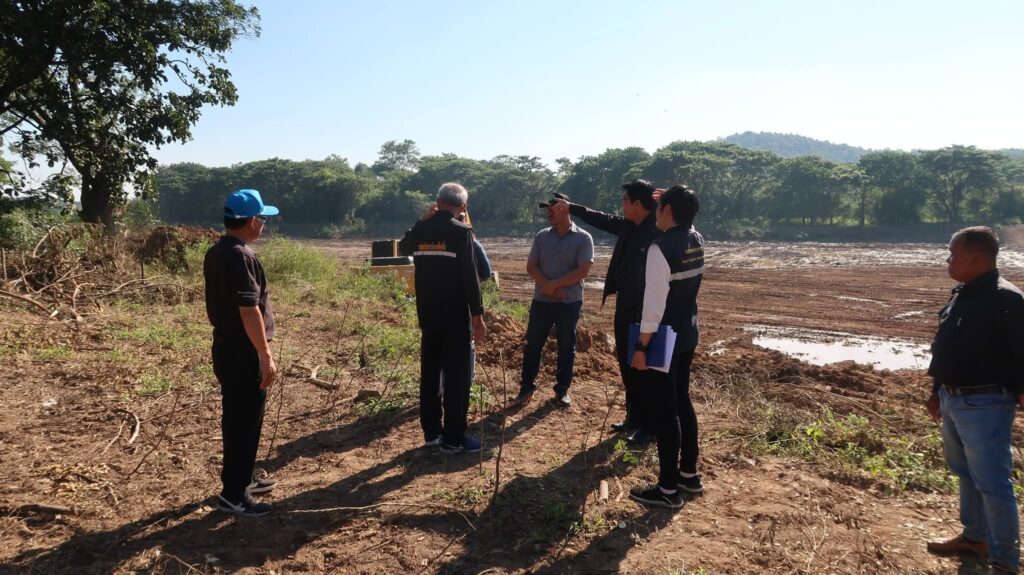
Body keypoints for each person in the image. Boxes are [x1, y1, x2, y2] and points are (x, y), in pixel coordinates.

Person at [925, 226, 1024, 575]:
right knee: (966, 473)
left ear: (976, 258)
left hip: (985, 404)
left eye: (953, 254)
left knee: (993, 483)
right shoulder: (963, 294)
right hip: (953, 399)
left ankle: (1004, 562)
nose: (948, 261)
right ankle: (975, 537)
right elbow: (947, 346)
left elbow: (1021, 355)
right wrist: (937, 389)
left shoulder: (1007, 300)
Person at [549, 179, 660, 443]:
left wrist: (669, 197)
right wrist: (572, 207)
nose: (621, 204)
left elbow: (685, 219)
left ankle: (651, 425)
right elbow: (600, 218)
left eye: (624, 200)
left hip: (647, 308)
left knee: (647, 368)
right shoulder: (628, 225)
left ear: (637, 203)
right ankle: (634, 417)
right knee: (627, 362)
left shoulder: (658, 229)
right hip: (625, 304)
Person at [626, 185, 705, 509]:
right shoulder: (695, 239)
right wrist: (674, 196)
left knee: (665, 410)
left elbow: (654, 306)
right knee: (682, 401)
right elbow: (685, 216)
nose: (655, 211)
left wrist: (641, 347)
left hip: (664, 339)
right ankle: (688, 474)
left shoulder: (660, 248)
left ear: (668, 210)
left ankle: (668, 489)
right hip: (687, 334)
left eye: (660, 206)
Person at [203, 189, 280, 517]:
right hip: (243, 353)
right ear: (251, 221)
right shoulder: (242, 257)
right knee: (243, 423)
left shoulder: (217, 251)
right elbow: (249, 310)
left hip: (226, 348)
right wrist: (264, 354)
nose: (263, 224)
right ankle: (233, 495)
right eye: (262, 218)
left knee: (240, 418)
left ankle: (244, 479)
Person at [399, 183, 487, 454]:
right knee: (457, 378)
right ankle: (453, 440)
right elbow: (470, 276)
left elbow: (403, 247)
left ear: (437, 202)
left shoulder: (421, 230)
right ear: (464, 207)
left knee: (430, 375)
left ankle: (431, 433)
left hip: (428, 316)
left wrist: (421, 220)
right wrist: (478, 314)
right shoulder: (462, 232)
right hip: (454, 318)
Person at [512, 192, 594, 408]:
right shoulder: (542, 236)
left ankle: (562, 391)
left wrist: (554, 285)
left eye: (554, 208)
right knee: (533, 345)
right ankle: (526, 388)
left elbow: (583, 271)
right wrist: (547, 286)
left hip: (569, 302)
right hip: (542, 301)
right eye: (547, 208)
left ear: (566, 209)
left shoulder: (583, 238)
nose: (549, 211)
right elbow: (531, 266)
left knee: (566, 347)